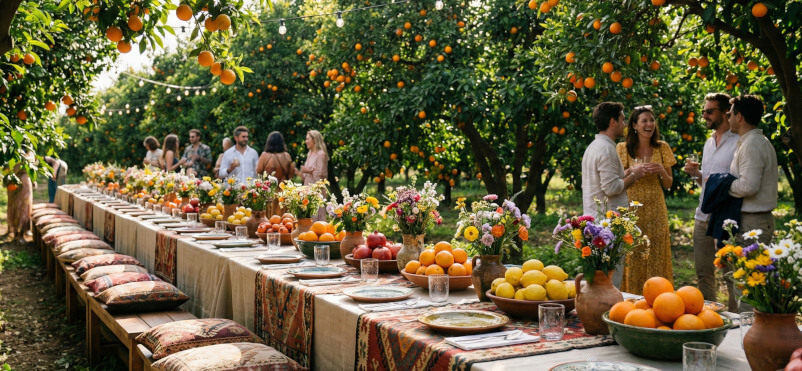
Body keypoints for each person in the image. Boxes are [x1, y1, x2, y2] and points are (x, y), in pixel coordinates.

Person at [683, 93, 739, 307]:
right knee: (703, 271)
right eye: (703, 111)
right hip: (702, 214)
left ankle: (735, 320)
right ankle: (708, 314)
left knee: (730, 273)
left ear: (726, 113)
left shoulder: (738, 143)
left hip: (725, 216)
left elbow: (733, 182)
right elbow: (709, 182)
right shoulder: (708, 143)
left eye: (709, 111)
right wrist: (697, 175)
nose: (704, 115)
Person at [581, 102, 645, 287]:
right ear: (613, 121)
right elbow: (611, 188)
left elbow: (606, 181)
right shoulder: (607, 149)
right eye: (623, 119)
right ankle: (605, 313)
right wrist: (635, 176)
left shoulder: (595, 146)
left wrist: (627, 172)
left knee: (597, 277)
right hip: (606, 223)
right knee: (609, 279)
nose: (625, 124)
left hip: (597, 219)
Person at [616, 105, 677, 295]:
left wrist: (660, 171)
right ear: (634, 125)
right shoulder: (623, 149)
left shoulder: (662, 147)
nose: (649, 124)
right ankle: (632, 297)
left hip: (656, 208)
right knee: (633, 251)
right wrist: (632, 172)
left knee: (656, 251)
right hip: (632, 208)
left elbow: (668, 184)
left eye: (651, 120)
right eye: (644, 121)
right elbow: (618, 182)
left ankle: (659, 296)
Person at [727, 95, 778, 245]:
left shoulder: (751, 145)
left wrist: (722, 183)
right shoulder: (752, 142)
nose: (728, 118)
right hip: (750, 220)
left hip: (753, 223)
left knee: (747, 268)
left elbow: (748, 186)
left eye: (729, 114)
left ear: (739, 116)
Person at [7, 162, 33, 243]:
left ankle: (20, 234)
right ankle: (17, 234)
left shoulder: (28, 154)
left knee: (23, 208)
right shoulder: (13, 154)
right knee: (17, 207)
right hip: (14, 182)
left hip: (20, 182)